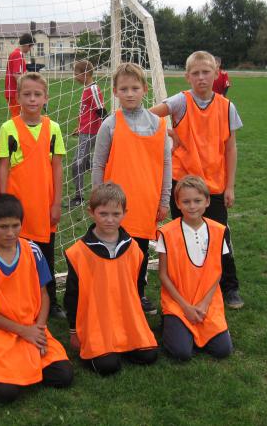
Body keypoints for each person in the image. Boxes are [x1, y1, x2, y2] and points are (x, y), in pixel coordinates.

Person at [150, 50, 244, 309]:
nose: (201, 77)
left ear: (216, 74)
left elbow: (230, 148)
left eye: (206, 72)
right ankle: (185, 284)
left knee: (219, 236)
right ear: (187, 77)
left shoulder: (227, 107)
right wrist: (170, 132)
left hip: (214, 186)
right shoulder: (181, 101)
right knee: (181, 237)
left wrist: (230, 186)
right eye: (196, 73)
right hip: (183, 184)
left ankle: (230, 287)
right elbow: (147, 115)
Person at [0, 193, 73, 403]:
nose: (10, 233)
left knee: (64, 375)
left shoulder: (33, 250)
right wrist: (23, 331)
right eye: (3, 227)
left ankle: (21, 361)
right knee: (5, 393)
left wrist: (39, 330)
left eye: (15, 225)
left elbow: (44, 295)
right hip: (0, 331)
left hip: (32, 326)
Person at [92, 62, 172, 316]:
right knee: (114, 250)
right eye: (124, 89)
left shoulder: (158, 124)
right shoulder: (110, 124)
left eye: (135, 88)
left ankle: (138, 293)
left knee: (139, 252)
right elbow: (98, 163)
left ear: (144, 89)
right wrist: (97, 200)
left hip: (146, 202)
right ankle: (112, 297)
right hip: (114, 206)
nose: (129, 93)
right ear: (115, 91)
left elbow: (166, 164)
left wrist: (164, 199)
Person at [63, 182, 158, 375]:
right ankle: (107, 349)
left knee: (149, 356)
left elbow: (137, 287)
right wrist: (73, 331)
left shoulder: (133, 248)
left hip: (127, 320)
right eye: (103, 214)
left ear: (125, 213)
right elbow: (72, 294)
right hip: (96, 323)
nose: (109, 220)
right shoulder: (78, 252)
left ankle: (124, 343)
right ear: (91, 212)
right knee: (108, 366)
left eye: (116, 214)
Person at [0, 72, 66, 319]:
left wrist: (56, 203)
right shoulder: (8, 128)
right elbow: (3, 167)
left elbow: (57, 168)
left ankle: (51, 300)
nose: (32, 99)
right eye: (27, 94)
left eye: (37, 94)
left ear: (46, 98)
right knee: (17, 254)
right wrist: (3, 203)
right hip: (18, 207)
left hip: (44, 206)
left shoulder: (53, 128)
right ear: (18, 97)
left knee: (46, 255)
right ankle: (19, 300)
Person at [156, 175, 233, 361]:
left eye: (197, 201)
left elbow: (218, 271)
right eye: (186, 201)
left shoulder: (218, 230)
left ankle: (191, 330)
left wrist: (204, 304)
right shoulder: (167, 233)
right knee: (182, 353)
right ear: (178, 203)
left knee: (223, 350)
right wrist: (185, 307)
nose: (192, 206)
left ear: (207, 201)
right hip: (178, 302)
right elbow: (163, 275)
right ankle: (172, 324)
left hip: (207, 302)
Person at [65, 60, 106, 209]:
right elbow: (89, 112)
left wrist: (108, 131)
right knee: (85, 162)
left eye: (76, 73)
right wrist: (80, 127)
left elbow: (101, 111)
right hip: (85, 131)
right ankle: (96, 180)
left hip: (90, 133)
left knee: (77, 163)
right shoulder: (87, 88)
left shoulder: (93, 89)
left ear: (85, 74)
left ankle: (79, 197)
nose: (74, 76)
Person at [5, 32, 35, 117]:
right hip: (15, 92)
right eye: (30, 47)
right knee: (17, 117)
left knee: (19, 116)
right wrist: (27, 88)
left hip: (13, 91)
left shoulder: (16, 53)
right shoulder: (18, 54)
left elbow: (19, 73)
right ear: (27, 45)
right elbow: (17, 75)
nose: (30, 49)